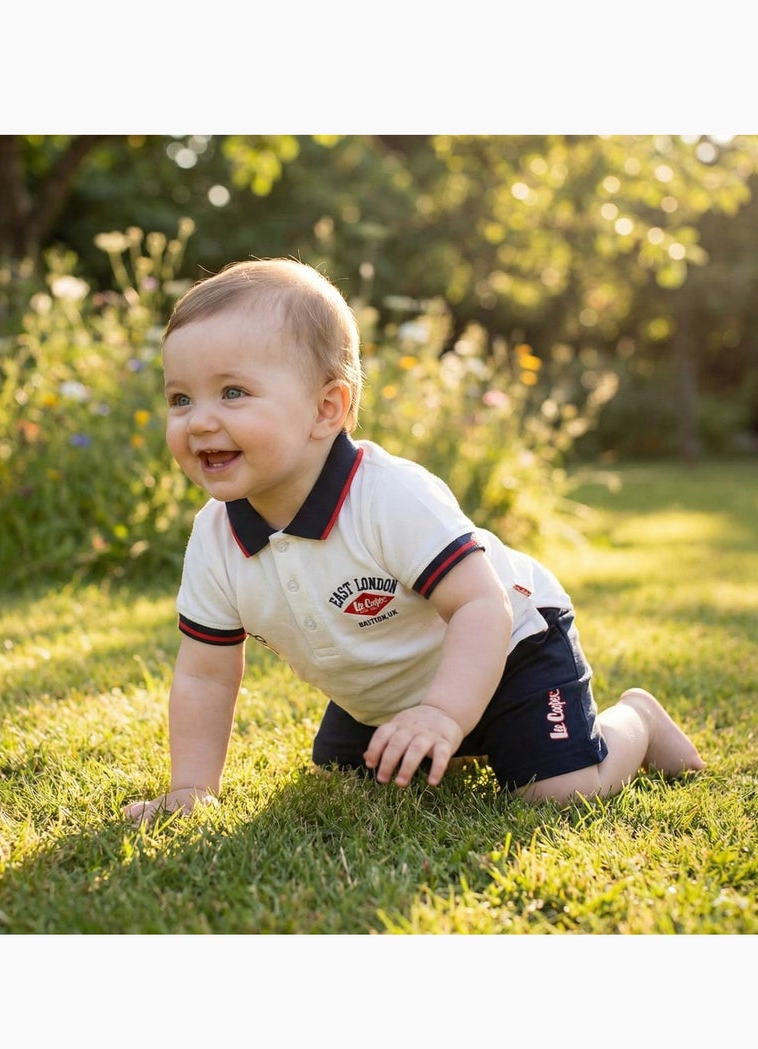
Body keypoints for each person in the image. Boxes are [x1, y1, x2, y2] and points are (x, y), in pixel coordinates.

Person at [123, 258, 704, 824]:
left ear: (327, 409)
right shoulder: (215, 536)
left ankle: (637, 721)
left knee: (558, 793)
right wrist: (192, 789)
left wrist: (444, 713)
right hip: (390, 691)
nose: (198, 421)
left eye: (232, 393)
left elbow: (481, 604)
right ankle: (431, 728)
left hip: (510, 645)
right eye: (181, 398)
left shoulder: (387, 497)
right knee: (350, 780)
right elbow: (206, 673)